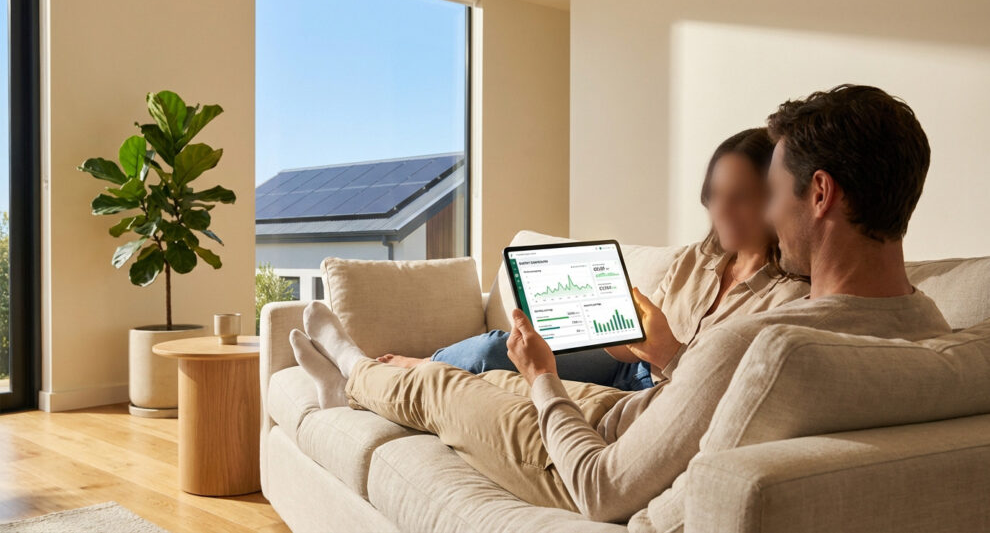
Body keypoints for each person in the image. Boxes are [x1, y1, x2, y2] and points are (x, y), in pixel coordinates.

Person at [290, 84, 951, 524]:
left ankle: (347, 368)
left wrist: (547, 378)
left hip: (611, 453)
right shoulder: (937, 333)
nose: (771, 215)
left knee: (443, 387)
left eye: (774, 192)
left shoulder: (761, 342)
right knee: (490, 371)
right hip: (636, 409)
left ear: (821, 194)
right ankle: (359, 380)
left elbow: (604, 487)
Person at [374, 128, 809, 392]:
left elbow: (720, 391)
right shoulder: (699, 259)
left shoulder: (788, 295)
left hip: (658, 393)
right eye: (714, 197)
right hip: (627, 366)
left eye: (740, 199)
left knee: (512, 373)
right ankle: (419, 365)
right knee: (499, 344)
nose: (721, 212)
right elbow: (631, 346)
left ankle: (401, 372)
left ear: (774, 197)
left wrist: (667, 352)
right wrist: (596, 320)